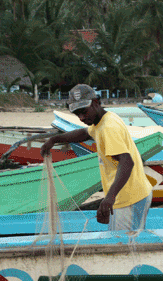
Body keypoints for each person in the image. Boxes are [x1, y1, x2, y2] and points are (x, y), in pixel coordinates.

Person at [40, 84, 153, 230]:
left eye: (83, 112)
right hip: (129, 194)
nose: (81, 117)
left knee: (123, 245)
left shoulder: (108, 128)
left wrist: (109, 199)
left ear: (95, 103)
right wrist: (54, 140)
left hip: (129, 198)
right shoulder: (101, 121)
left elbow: (127, 162)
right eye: (77, 114)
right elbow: (85, 133)